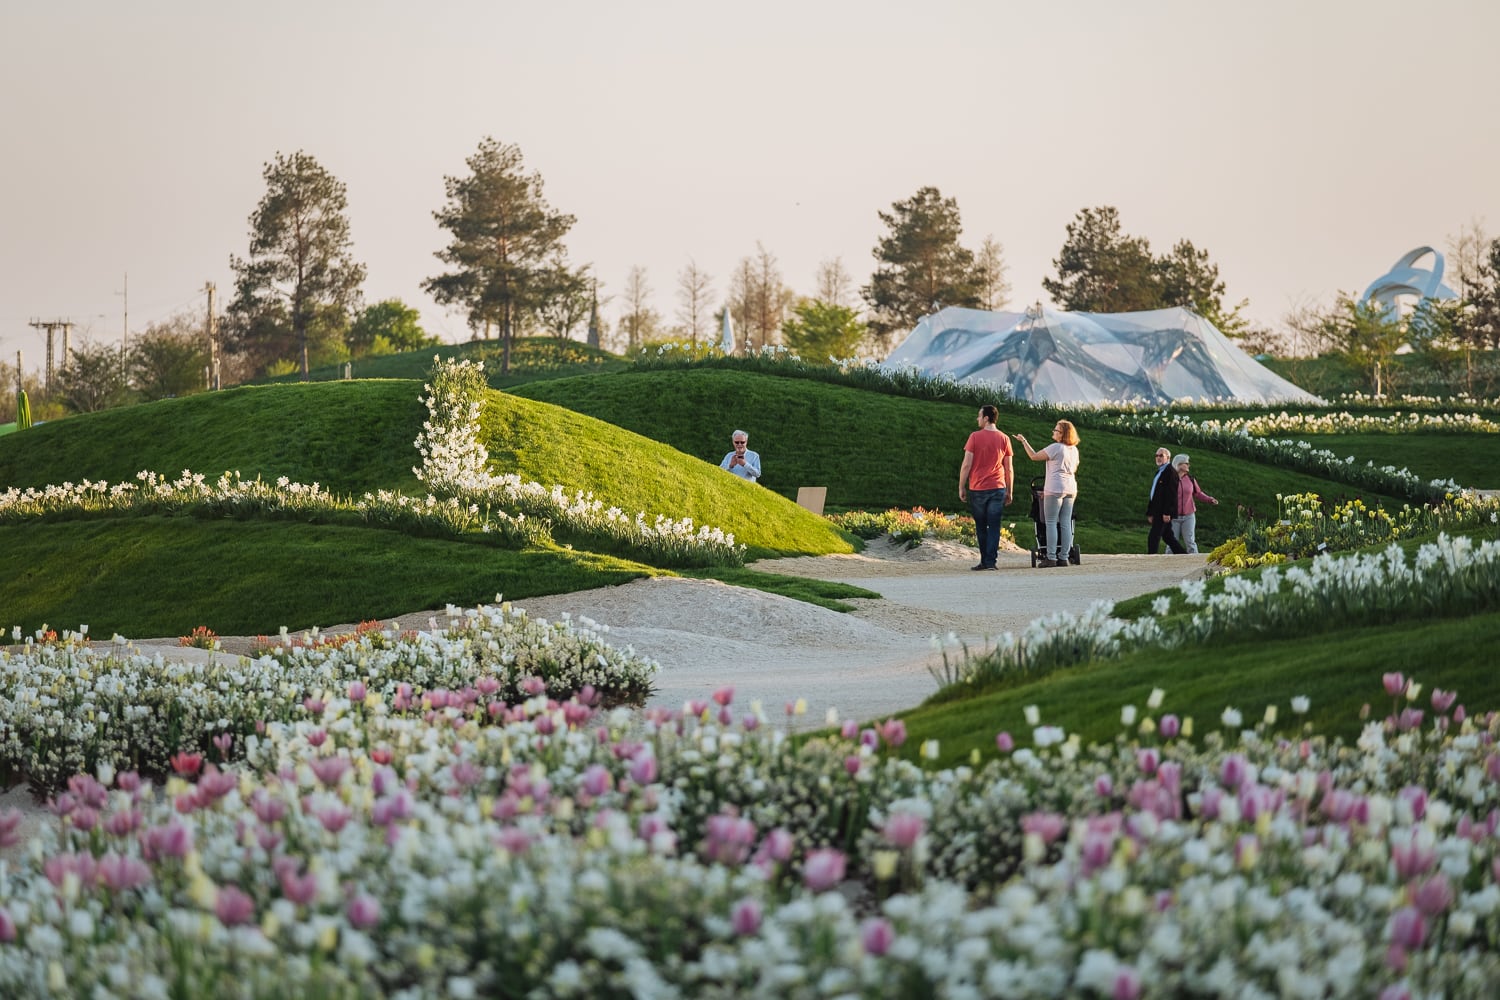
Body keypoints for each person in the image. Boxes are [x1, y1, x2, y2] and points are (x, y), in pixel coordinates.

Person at [1014, 420, 1080, 568]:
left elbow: (1034, 456)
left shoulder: (1056, 448)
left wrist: (1023, 441)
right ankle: (1064, 557)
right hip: (1071, 489)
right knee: (1065, 523)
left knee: (1050, 522)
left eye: (1056, 430)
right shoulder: (1074, 450)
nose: (1053, 432)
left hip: (1055, 488)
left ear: (1062, 434)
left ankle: (1051, 557)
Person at [957, 404, 1013, 571]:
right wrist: (1010, 490)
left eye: (979, 416)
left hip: (978, 488)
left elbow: (966, 464)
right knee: (994, 525)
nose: (977, 418)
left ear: (986, 418)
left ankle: (984, 560)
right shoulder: (1005, 439)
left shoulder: (974, 437)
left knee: (981, 526)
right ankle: (991, 562)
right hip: (997, 487)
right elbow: (1009, 467)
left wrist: (961, 486)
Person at [1170, 453, 1218, 554]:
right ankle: (1166, 565)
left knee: (1190, 542)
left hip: (1189, 516)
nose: (1189, 465)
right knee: (1171, 543)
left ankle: (1195, 565)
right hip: (1173, 517)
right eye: (1186, 463)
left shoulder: (1190, 479)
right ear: (1179, 464)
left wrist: (1210, 499)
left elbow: (1198, 493)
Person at [1147, 449, 1187, 554]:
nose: (1158, 458)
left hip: (1163, 511)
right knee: (1168, 537)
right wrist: (1150, 512)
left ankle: (1151, 558)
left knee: (1154, 536)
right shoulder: (1160, 472)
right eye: (1157, 455)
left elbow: (1171, 495)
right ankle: (1183, 555)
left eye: (1161, 455)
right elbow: (1154, 494)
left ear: (1168, 458)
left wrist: (1167, 512)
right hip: (1157, 510)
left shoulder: (1170, 473)